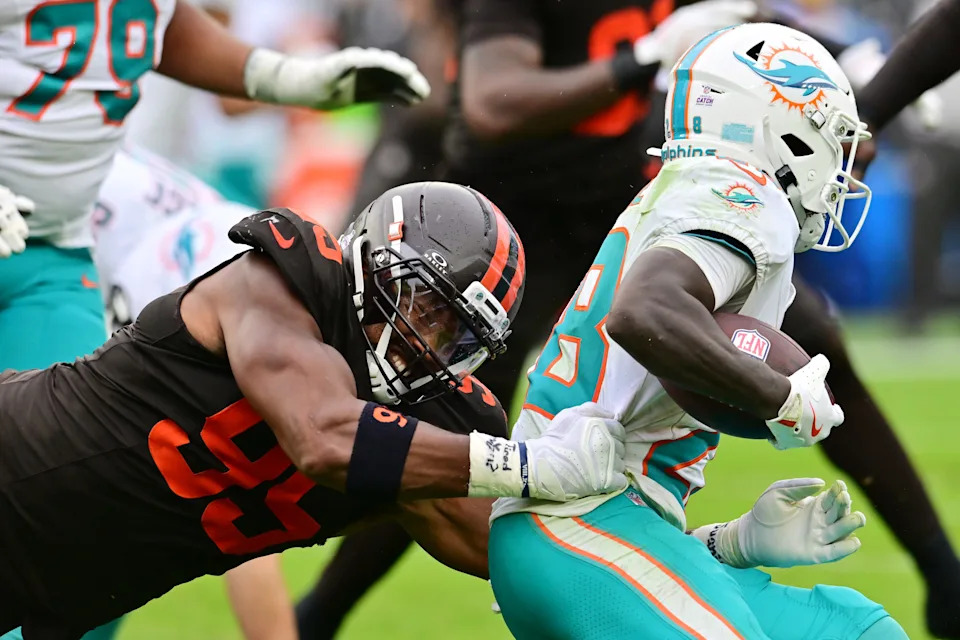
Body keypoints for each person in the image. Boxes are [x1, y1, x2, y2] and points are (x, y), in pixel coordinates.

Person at [450, 2, 960, 637]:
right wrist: (779, 397)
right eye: (829, 135)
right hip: (579, 521)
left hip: (622, 522)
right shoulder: (740, 195)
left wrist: (730, 543)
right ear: (778, 128)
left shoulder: (695, 187)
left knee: (858, 628)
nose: (841, 165)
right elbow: (644, 314)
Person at [0, 180, 630, 639]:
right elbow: (324, 437)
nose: (423, 344)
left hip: (44, 584)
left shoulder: (433, 433)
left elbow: (527, 558)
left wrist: (678, 550)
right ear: (370, 259)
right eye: (419, 304)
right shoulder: (280, 280)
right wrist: (527, 464)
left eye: (453, 338)